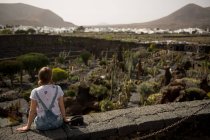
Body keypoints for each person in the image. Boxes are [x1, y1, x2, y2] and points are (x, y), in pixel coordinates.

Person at [17, 67, 68, 132]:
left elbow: (32, 111)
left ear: (39, 77)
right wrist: (65, 119)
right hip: (57, 123)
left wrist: (28, 126)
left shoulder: (35, 91)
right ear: (51, 77)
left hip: (41, 125)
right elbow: (62, 106)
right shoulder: (58, 88)